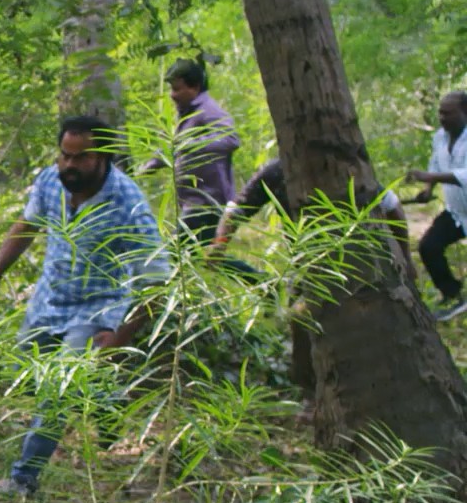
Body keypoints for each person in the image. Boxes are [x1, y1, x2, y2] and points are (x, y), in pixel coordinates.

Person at [0, 115, 170, 498]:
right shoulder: (51, 180)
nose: (69, 165)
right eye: (65, 155)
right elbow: (28, 225)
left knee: (58, 390)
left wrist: (120, 338)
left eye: (81, 158)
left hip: (97, 309)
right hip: (49, 301)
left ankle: (24, 478)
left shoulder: (128, 203)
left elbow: (155, 283)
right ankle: (106, 399)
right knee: (25, 373)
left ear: (104, 157)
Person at [213, 159, 409, 401]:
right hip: (306, 263)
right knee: (300, 323)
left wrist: (406, 258)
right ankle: (311, 393)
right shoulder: (277, 173)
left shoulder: (343, 164)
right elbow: (236, 210)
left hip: (359, 261)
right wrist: (219, 244)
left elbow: (391, 206)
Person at [139, 58, 241, 244]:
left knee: (175, 252)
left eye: (177, 89)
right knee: (201, 255)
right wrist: (148, 167)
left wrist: (190, 144)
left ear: (194, 87)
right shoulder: (186, 113)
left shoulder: (208, 110)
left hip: (208, 203)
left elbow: (230, 139)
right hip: (193, 203)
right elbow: (173, 147)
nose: (172, 95)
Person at [406, 91, 467, 320]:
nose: (442, 118)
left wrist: (428, 176)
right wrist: (428, 189)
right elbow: (435, 164)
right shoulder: (440, 137)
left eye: (448, 113)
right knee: (429, 246)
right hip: (457, 213)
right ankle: (453, 294)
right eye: (440, 113)